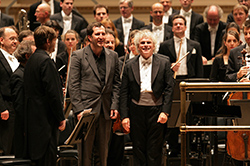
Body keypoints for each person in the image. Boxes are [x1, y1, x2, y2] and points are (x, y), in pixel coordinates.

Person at [68, 22, 120, 166]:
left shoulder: (113, 56)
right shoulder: (78, 56)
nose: (101, 37)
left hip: (105, 110)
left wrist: (114, 105)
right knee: (85, 155)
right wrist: (78, 109)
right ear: (90, 37)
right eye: (98, 34)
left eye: (103, 34)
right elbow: (73, 85)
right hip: (86, 111)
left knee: (102, 155)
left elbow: (116, 84)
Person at [120, 29, 174, 165]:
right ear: (137, 47)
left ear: (154, 46)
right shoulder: (128, 65)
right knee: (138, 150)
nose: (145, 45)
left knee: (154, 151)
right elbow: (124, 92)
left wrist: (165, 112)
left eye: (148, 42)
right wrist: (125, 116)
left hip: (156, 111)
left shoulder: (164, 62)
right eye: (142, 43)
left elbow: (169, 89)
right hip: (136, 111)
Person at [23, 26, 65, 166]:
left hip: (33, 119)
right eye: (54, 40)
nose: (55, 44)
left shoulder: (32, 60)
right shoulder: (46, 61)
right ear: (48, 41)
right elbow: (53, 93)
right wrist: (61, 117)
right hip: (45, 122)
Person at [9, 40, 36, 158]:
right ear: (27, 56)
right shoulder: (18, 76)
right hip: (23, 129)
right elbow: (19, 106)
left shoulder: (27, 73)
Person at [0, 26, 19, 155]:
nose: (15, 42)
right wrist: (1, 108)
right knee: (6, 147)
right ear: (1, 40)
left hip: (16, 106)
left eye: (16, 39)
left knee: (15, 148)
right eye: (11, 39)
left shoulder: (15, 57)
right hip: (5, 108)